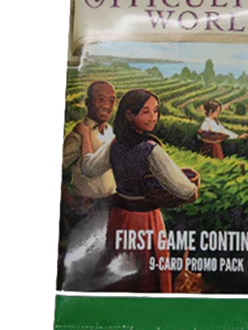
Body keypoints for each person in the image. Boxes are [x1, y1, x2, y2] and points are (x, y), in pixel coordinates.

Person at [75, 89, 198, 293]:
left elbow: (88, 167)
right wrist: (192, 185)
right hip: (145, 220)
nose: (153, 117)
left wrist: (85, 136)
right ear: (129, 115)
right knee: (148, 271)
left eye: (156, 111)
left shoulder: (115, 144)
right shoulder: (152, 150)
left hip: (119, 217)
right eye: (146, 112)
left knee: (120, 268)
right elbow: (186, 191)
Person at [58, 81, 116, 289]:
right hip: (87, 209)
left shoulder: (111, 132)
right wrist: (71, 201)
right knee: (84, 268)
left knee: (106, 265)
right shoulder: (78, 135)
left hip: (110, 206)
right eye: (101, 99)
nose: (107, 105)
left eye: (112, 100)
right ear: (88, 102)